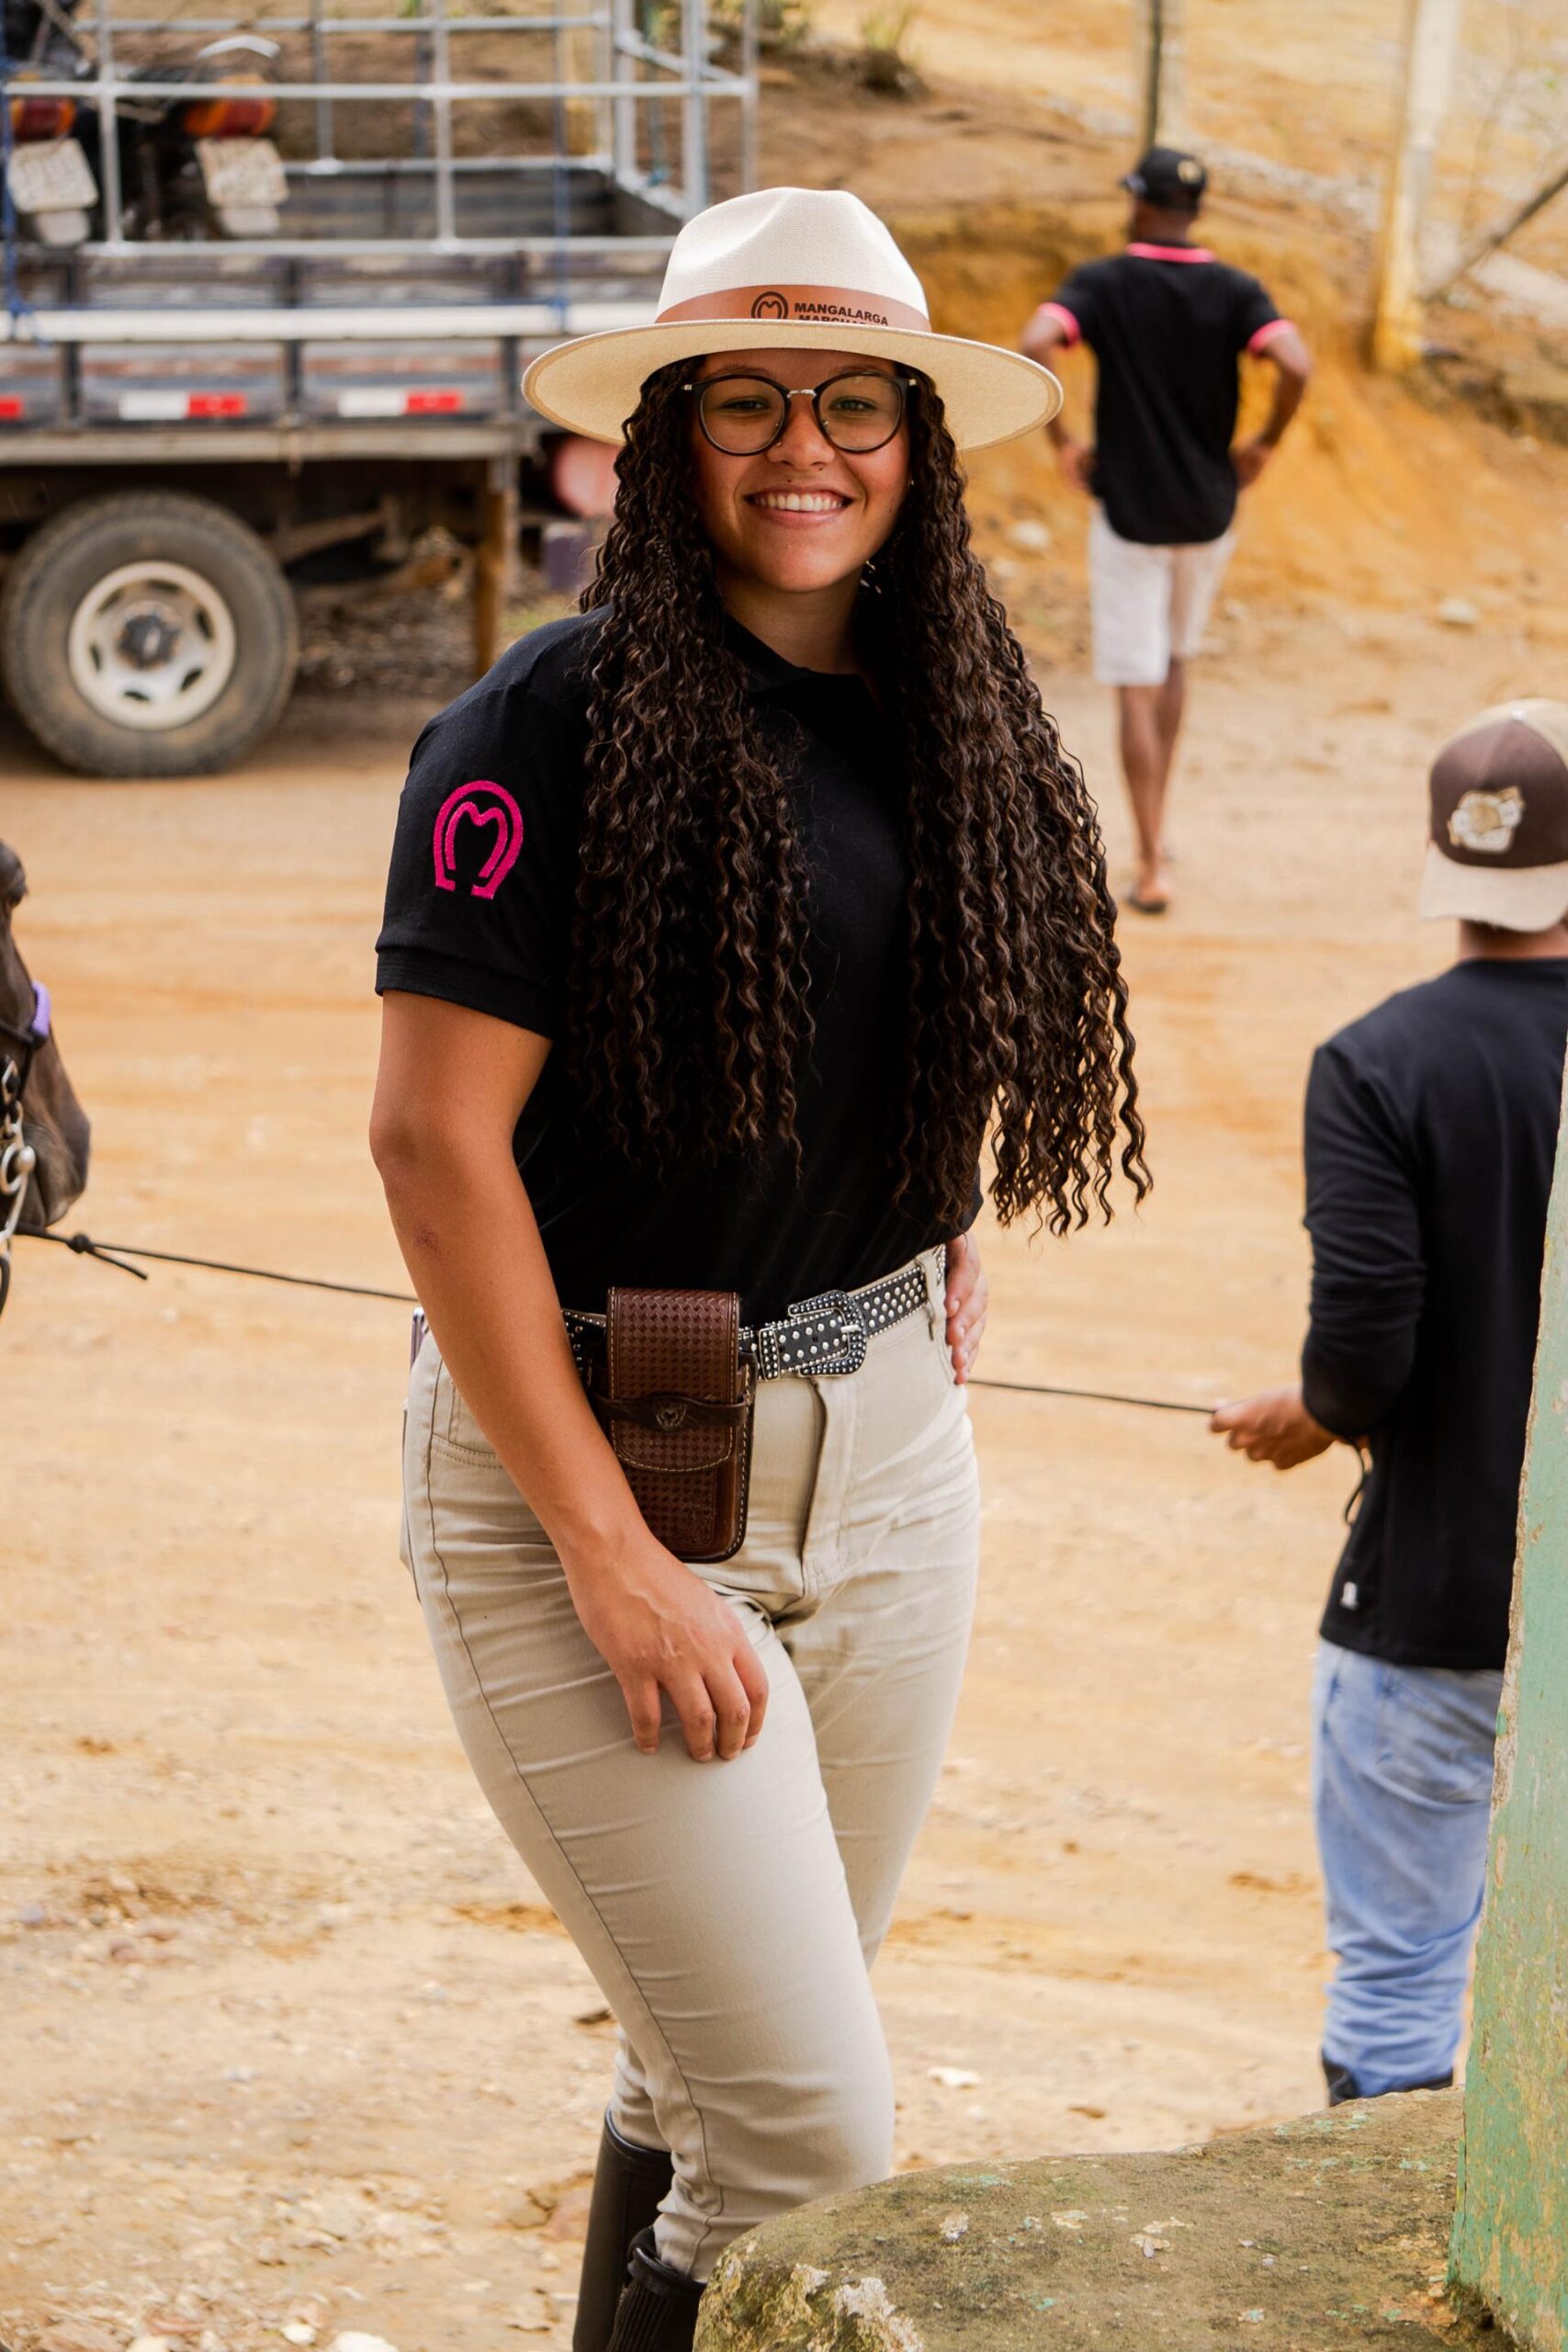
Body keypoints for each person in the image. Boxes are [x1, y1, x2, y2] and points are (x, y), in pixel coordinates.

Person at [369, 185, 1149, 2352]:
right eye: (743, 400)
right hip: (594, 1453)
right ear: (665, 434)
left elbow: (890, 988)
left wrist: (927, 1202)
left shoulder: (946, 703)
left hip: (888, 1456)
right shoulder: (543, 720)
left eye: (851, 404)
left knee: (712, 2074)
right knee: (808, 2137)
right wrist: (610, 1554)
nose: (803, 448)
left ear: (916, 438)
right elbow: (431, 1144)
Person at [1210, 701, 1568, 2107]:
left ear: (1443, 862)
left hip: (1434, 1609)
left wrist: (1311, 1410)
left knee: (1398, 1984)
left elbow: (1363, 1354)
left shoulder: (1377, 1062)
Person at [1021, 147, 1312, 915]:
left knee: (1135, 684)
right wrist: (1265, 442)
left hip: (1129, 513)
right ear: (1195, 210)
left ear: (1141, 204)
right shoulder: (1236, 289)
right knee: (1174, 660)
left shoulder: (1102, 282)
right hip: (1207, 512)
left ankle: (1150, 862)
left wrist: (1062, 441)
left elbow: (1037, 339)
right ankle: (1161, 827)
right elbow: (1294, 363)